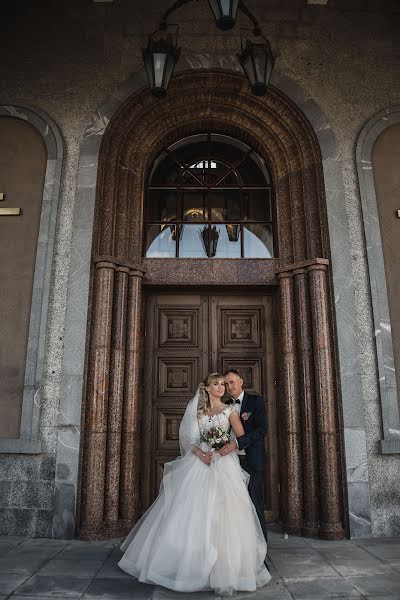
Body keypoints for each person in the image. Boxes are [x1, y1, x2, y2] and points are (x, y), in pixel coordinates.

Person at [118, 373, 271, 595]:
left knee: (226, 513)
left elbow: (240, 437)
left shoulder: (231, 411)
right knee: (192, 512)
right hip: (200, 463)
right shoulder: (198, 411)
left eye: (223, 384)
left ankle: (226, 568)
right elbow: (189, 438)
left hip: (224, 464)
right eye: (216, 384)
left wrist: (222, 445)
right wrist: (201, 453)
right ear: (207, 389)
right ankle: (188, 564)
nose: (221, 388)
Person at [221, 369, 268, 542]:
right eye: (226, 384)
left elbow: (262, 430)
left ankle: (261, 548)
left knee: (255, 504)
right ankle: (240, 547)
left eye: (232, 382)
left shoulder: (256, 402)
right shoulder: (224, 405)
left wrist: (238, 443)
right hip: (230, 463)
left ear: (241, 381)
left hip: (252, 460)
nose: (229, 386)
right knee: (234, 507)